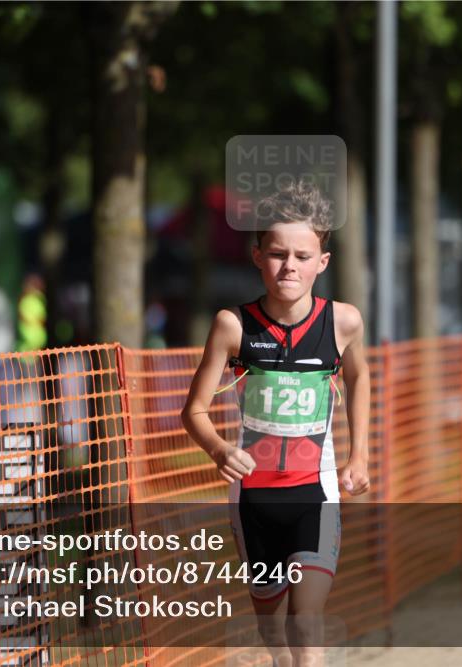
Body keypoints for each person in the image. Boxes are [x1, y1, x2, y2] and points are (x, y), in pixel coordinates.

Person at [181, 180, 370, 667]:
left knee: (306, 624)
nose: (290, 266)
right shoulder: (233, 326)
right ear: (257, 255)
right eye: (278, 253)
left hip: (315, 490)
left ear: (322, 263)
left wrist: (359, 456)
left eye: (303, 256)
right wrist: (219, 450)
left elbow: (359, 376)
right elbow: (193, 411)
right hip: (254, 497)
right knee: (272, 627)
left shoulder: (343, 323)